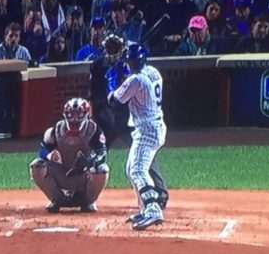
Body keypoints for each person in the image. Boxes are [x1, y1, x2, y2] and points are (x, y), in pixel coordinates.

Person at [88, 35, 169, 209]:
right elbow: (95, 96)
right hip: (107, 120)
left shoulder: (135, 75)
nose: (114, 54)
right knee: (95, 153)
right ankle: (85, 195)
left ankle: (158, 197)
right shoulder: (99, 66)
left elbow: (118, 98)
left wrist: (114, 83)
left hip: (131, 121)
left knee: (142, 161)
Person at [108, 44, 167, 231]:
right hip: (153, 125)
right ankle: (144, 208)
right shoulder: (153, 72)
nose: (128, 64)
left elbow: (114, 101)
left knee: (138, 171)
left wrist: (111, 80)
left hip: (147, 130)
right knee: (130, 168)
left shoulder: (136, 80)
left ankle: (153, 209)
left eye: (130, 61)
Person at [29, 98, 110, 213]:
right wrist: (49, 155)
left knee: (102, 169)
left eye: (79, 114)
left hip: (84, 175)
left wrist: (90, 161)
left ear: (86, 114)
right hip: (62, 172)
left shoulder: (94, 130)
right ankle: (56, 199)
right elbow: (43, 150)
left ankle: (89, 201)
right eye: (71, 114)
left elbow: (102, 153)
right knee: (36, 165)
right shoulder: (56, 130)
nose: (74, 118)